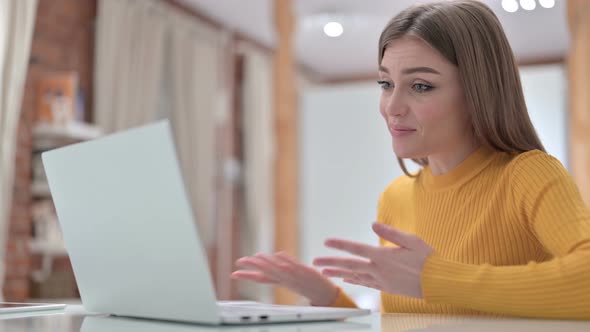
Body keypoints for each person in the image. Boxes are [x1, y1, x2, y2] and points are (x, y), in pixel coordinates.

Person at [232, 0, 590, 319]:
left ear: (477, 93)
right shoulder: (395, 198)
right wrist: (327, 298)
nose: (392, 107)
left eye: (420, 86)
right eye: (386, 84)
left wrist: (433, 279)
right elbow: (406, 323)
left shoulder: (528, 175)